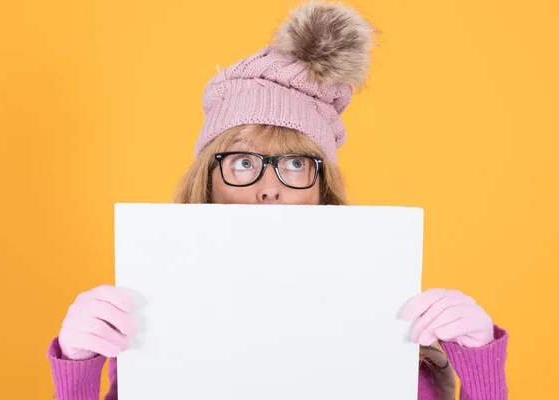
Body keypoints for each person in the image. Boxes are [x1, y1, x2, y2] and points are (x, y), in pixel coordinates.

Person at [47, 2, 509, 399]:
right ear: (206, 181)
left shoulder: (390, 334)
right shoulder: (150, 325)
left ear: (321, 188)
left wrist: (479, 358)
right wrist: (80, 364)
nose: (270, 187)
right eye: (244, 163)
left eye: (294, 164)